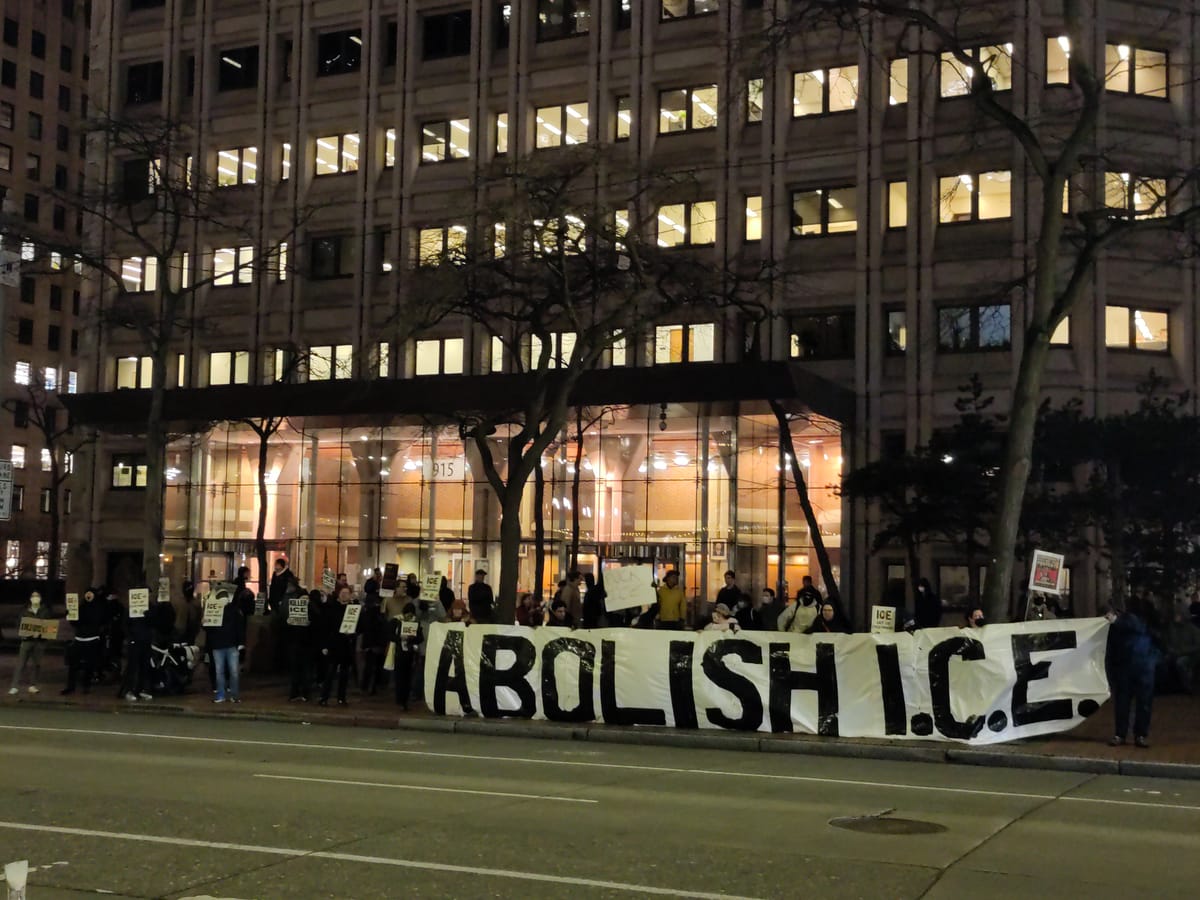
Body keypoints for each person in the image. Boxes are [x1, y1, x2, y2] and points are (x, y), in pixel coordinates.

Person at [1107, 598, 1161, 748]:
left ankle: (1133, 735)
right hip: (1134, 667)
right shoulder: (1118, 625)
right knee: (1127, 703)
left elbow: (1134, 626)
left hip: (1140, 667)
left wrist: (1116, 621)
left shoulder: (1130, 621)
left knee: (1137, 703)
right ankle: (1130, 735)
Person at [204, 589, 246, 703]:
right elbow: (240, 628)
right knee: (232, 672)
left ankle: (222, 695)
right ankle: (233, 695)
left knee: (221, 672)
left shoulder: (228, 610)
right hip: (229, 644)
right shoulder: (234, 610)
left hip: (220, 645)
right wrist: (241, 643)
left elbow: (208, 630)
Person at [318, 586, 356, 706]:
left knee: (344, 674)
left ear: (350, 595)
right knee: (330, 672)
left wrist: (353, 632)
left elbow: (360, 625)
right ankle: (324, 697)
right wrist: (324, 645)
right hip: (334, 644)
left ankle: (341, 698)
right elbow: (325, 626)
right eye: (342, 593)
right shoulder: (332, 607)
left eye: (347, 593)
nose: (344, 595)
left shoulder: (353, 609)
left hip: (347, 644)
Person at [9, 591, 54, 695]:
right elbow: (19, 624)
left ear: (41, 598)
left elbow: (49, 626)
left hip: (39, 642)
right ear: (30, 599)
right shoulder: (25, 611)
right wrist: (24, 634)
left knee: (36, 664)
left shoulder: (45, 611)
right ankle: (14, 686)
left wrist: (40, 634)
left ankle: (33, 685)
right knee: (21, 664)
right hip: (26, 641)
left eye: (37, 596)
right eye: (33, 596)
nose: (35, 598)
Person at [63, 589, 105, 695]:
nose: (89, 596)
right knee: (73, 665)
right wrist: (70, 615)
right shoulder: (81, 607)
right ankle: (70, 687)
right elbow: (75, 623)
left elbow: (97, 622)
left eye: (91, 594)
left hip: (92, 640)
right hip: (79, 639)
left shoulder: (98, 608)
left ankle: (86, 686)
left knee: (89, 665)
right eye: (87, 594)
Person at [287, 589, 320, 702]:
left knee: (307, 670)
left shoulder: (313, 610)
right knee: (295, 670)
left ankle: (306, 693)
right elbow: (287, 630)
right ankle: (294, 693)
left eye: (307, 599)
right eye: (302, 599)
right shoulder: (293, 611)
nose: (304, 601)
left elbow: (318, 624)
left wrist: (310, 622)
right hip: (295, 645)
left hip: (308, 645)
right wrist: (289, 623)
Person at [120, 595, 154, 701]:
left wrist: (148, 616)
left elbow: (155, 622)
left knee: (145, 666)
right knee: (133, 667)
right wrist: (131, 637)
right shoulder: (130, 609)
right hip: (135, 641)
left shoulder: (151, 607)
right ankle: (129, 690)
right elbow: (125, 624)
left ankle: (141, 689)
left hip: (146, 640)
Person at [390, 602, 423, 709]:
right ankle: (400, 698)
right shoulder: (396, 620)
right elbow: (389, 635)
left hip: (410, 653)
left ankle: (404, 699)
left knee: (407, 677)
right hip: (398, 652)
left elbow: (420, 638)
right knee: (400, 677)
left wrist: (411, 638)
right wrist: (400, 638)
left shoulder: (416, 622)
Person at [359, 589, 389, 695]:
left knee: (369, 666)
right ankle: (374, 685)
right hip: (377, 643)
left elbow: (363, 628)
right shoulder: (379, 615)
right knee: (376, 666)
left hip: (370, 643)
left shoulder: (366, 613)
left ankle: (367, 685)